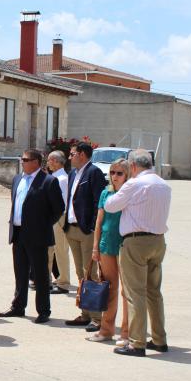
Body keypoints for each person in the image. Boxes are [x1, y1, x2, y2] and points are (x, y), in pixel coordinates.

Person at [104, 149, 171, 357]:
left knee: (135, 294)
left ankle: (137, 342)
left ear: (132, 166)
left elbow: (110, 206)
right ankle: (159, 339)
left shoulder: (134, 184)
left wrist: (118, 190)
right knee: (154, 292)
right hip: (158, 240)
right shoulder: (163, 184)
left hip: (136, 241)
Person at [0, 149, 64, 323]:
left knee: (40, 274)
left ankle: (43, 310)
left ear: (36, 162)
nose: (22, 162)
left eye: (26, 159)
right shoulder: (17, 179)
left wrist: (43, 225)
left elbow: (58, 208)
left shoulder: (49, 181)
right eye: (22, 159)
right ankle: (18, 306)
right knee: (20, 273)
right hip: (18, 233)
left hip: (38, 235)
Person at [63, 142, 107, 332]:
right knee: (81, 274)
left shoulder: (94, 172)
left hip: (86, 231)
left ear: (81, 154)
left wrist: (91, 227)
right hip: (71, 229)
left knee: (91, 273)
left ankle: (97, 318)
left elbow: (99, 202)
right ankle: (85, 314)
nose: (69, 157)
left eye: (72, 154)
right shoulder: (73, 174)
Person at [87, 158, 130, 343]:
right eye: (112, 172)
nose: (114, 176)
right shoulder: (106, 193)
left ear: (127, 175)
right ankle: (106, 330)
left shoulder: (131, 193)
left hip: (125, 245)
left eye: (119, 173)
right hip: (106, 244)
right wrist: (95, 246)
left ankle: (127, 332)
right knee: (109, 288)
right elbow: (99, 221)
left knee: (126, 291)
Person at [46, 151, 71, 294]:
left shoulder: (61, 179)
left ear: (55, 161)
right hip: (53, 218)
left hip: (58, 218)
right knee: (50, 250)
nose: (48, 163)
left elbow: (60, 203)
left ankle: (63, 281)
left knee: (60, 250)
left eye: (49, 160)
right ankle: (47, 278)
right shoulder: (57, 177)